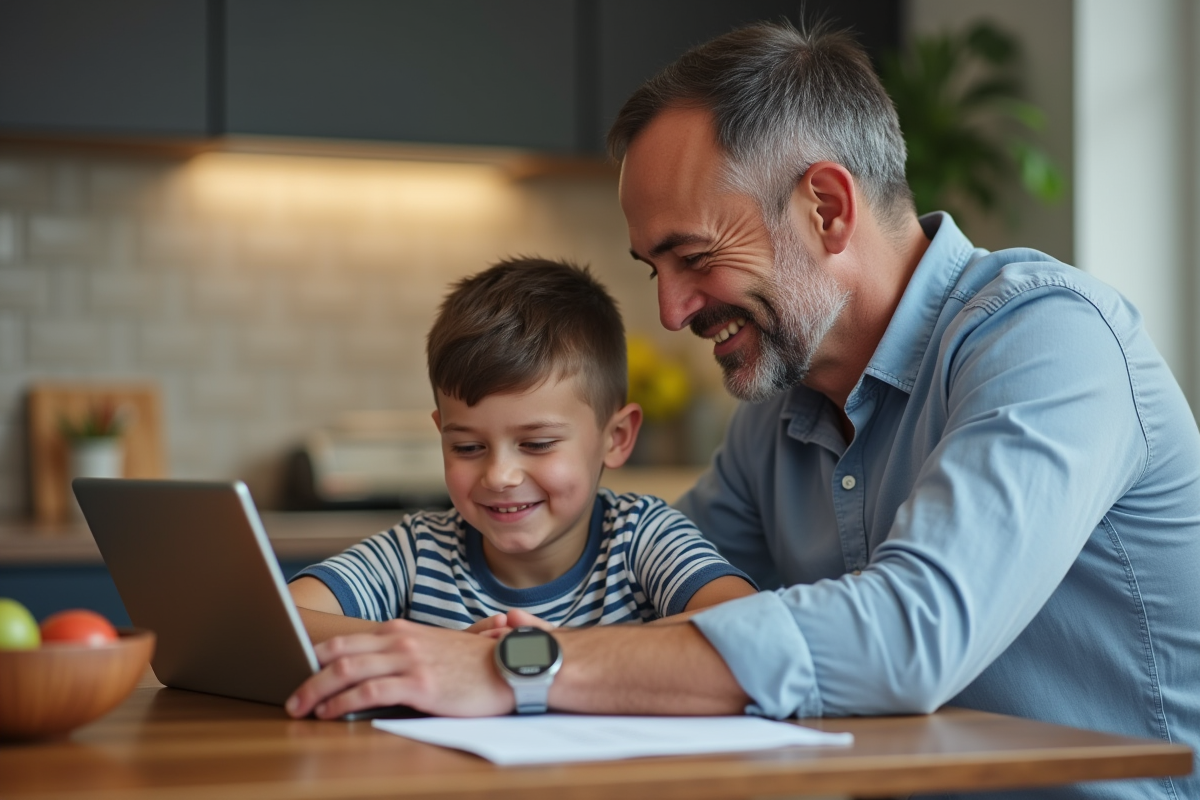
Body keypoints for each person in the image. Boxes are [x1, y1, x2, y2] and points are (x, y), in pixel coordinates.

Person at [286, 22, 1200, 800]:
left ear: (827, 209)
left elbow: (909, 638)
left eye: (692, 257)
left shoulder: (1050, 343)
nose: (672, 312)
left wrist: (506, 669)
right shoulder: (778, 416)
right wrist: (425, 655)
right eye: (655, 270)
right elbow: (636, 627)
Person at [286, 257, 756, 651]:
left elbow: (746, 621)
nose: (500, 475)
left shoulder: (640, 538)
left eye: (537, 444)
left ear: (616, 438)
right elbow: (277, 619)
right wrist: (440, 650)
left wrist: (544, 654)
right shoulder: (419, 551)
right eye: (467, 447)